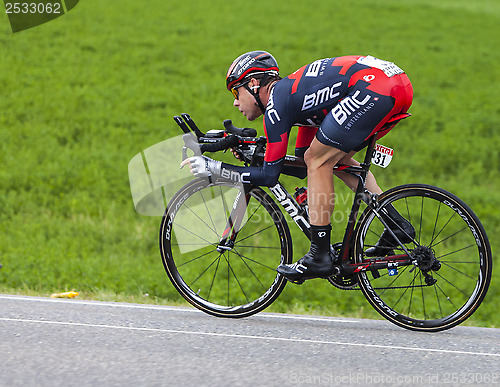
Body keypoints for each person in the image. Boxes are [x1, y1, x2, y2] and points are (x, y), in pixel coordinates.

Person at [182, 50, 415, 283]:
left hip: (375, 87)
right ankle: (396, 224)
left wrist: (214, 167)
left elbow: (270, 176)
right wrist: (256, 152)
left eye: (236, 91)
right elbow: (300, 166)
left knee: (319, 160)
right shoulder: (298, 98)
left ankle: (319, 256)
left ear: (253, 83)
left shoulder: (277, 103)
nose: (235, 102)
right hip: (396, 85)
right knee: (328, 159)